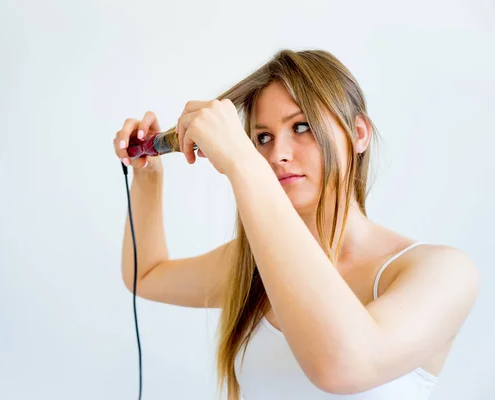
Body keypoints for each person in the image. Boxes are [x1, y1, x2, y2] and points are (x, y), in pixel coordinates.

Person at [112, 49, 479, 400]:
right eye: (263, 138)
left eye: (301, 126)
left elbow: (344, 366)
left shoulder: (441, 271)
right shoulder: (255, 265)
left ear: (360, 133)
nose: (277, 155)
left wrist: (244, 164)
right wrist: (149, 176)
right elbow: (145, 274)